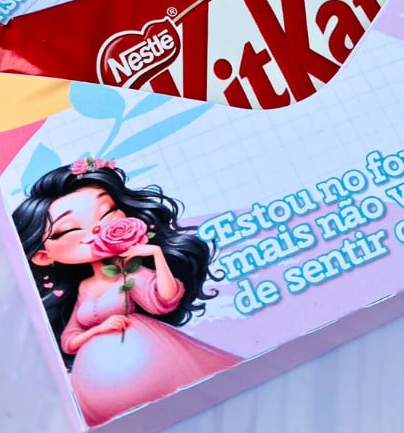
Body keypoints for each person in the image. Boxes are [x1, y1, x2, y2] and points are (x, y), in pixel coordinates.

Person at [13, 159, 240, 426]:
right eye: (69, 229)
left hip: (164, 378)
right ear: (43, 256)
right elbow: (69, 341)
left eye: (107, 212)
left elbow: (164, 301)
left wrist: (156, 256)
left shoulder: (128, 273)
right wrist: (99, 329)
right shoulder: (84, 288)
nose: (97, 229)